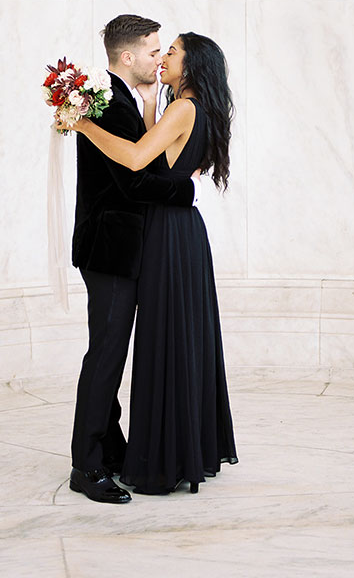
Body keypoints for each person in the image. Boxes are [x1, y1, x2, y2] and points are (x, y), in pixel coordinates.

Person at [73, 31, 238, 495]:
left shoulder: (182, 109)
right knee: (173, 340)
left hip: (168, 235)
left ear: (191, 65)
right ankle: (171, 448)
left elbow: (135, 158)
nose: (163, 56)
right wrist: (149, 101)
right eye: (159, 49)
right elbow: (161, 153)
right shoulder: (187, 108)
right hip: (180, 235)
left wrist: (82, 125)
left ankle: (157, 454)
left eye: (172, 51)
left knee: (165, 341)